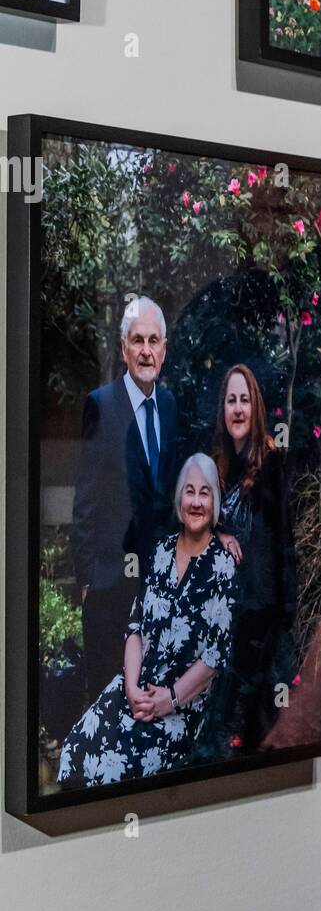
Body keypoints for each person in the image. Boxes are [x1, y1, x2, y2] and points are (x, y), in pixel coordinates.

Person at [57, 455, 239, 789]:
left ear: (214, 502)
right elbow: (134, 627)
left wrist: (165, 700)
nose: (196, 501)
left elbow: (215, 656)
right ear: (178, 499)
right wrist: (130, 687)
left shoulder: (223, 567)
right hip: (134, 688)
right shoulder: (160, 552)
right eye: (189, 492)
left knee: (111, 776)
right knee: (73, 753)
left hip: (179, 707)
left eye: (204, 493)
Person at [71, 298, 180, 702]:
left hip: (157, 589)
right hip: (108, 590)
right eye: (138, 341)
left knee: (149, 702)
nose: (146, 351)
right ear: (123, 348)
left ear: (164, 349)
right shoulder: (101, 405)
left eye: (154, 341)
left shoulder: (169, 407)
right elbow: (85, 502)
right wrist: (87, 582)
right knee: (106, 700)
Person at [193, 364, 300, 760]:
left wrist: (284, 615)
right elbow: (191, 527)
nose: (238, 408)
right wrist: (218, 534)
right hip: (224, 625)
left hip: (262, 628)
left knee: (257, 740)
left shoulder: (273, 465)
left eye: (244, 400)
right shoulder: (217, 469)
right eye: (230, 400)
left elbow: (284, 544)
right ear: (223, 410)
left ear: (255, 408)